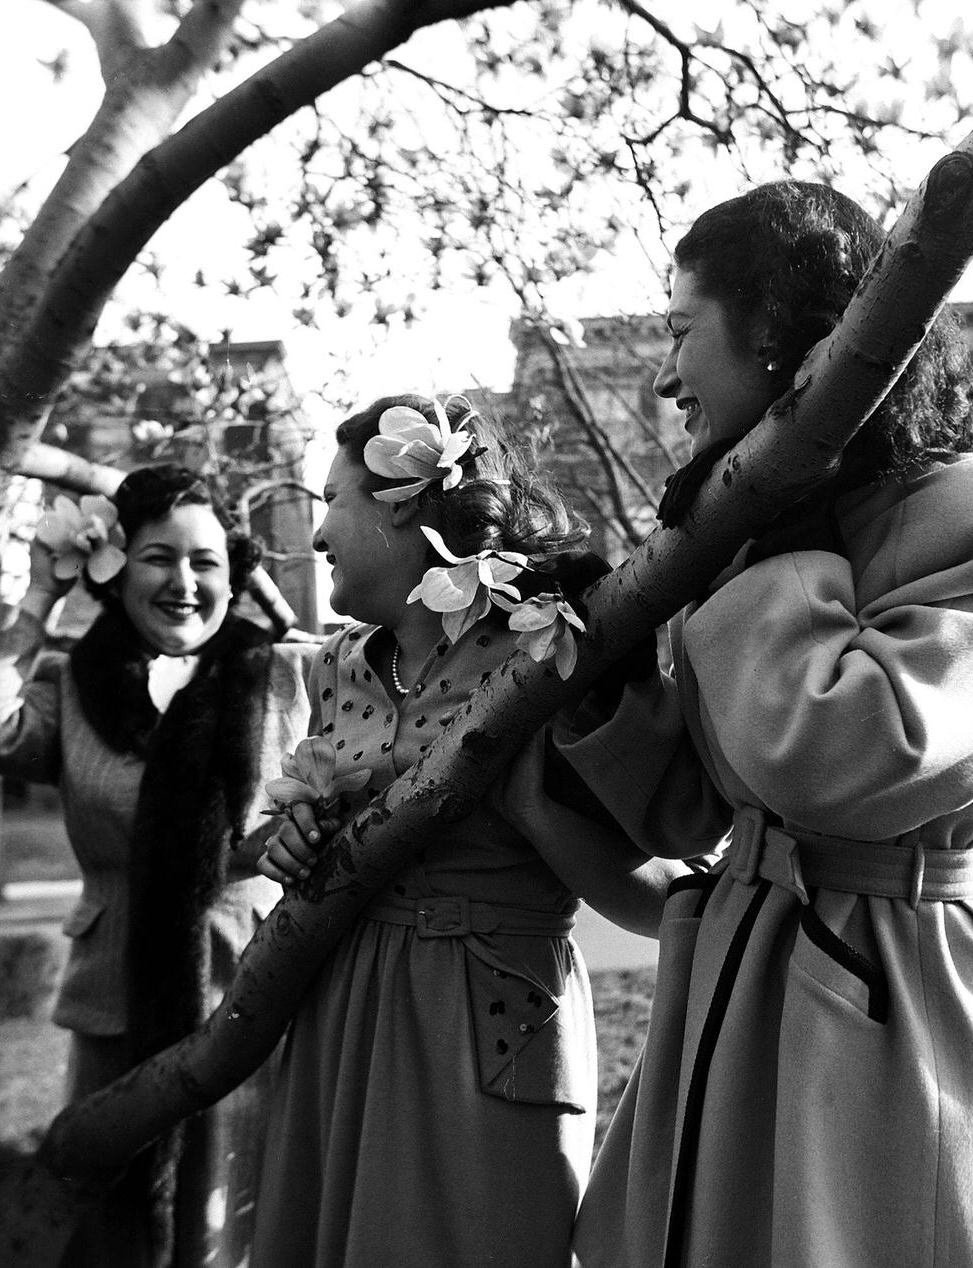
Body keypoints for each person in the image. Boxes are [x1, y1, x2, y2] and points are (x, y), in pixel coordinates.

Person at [556, 181, 973, 1267]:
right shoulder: (756, 534)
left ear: (778, 337)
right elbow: (697, 805)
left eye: (678, 330)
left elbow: (849, 752)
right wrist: (602, 680)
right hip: (733, 981)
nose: (664, 377)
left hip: (880, 991)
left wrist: (776, 539)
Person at [251, 393, 684, 1268]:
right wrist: (291, 844)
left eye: (332, 500)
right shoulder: (335, 665)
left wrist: (524, 806)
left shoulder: (545, 649)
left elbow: (656, 900)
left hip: (490, 1024)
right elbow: (318, 827)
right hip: (340, 1016)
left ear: (405, 501)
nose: (319, 532)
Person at [0, 464, 317, 1268]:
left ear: (233, 575)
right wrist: (36, 596)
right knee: (116, 1230)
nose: (184, 582)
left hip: (249, 992)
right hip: (114, 1001)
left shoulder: (287, 676)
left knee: (237, 1225)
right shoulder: (74, 688)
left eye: (206, 562)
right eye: (158, 557)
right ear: (113, 566)